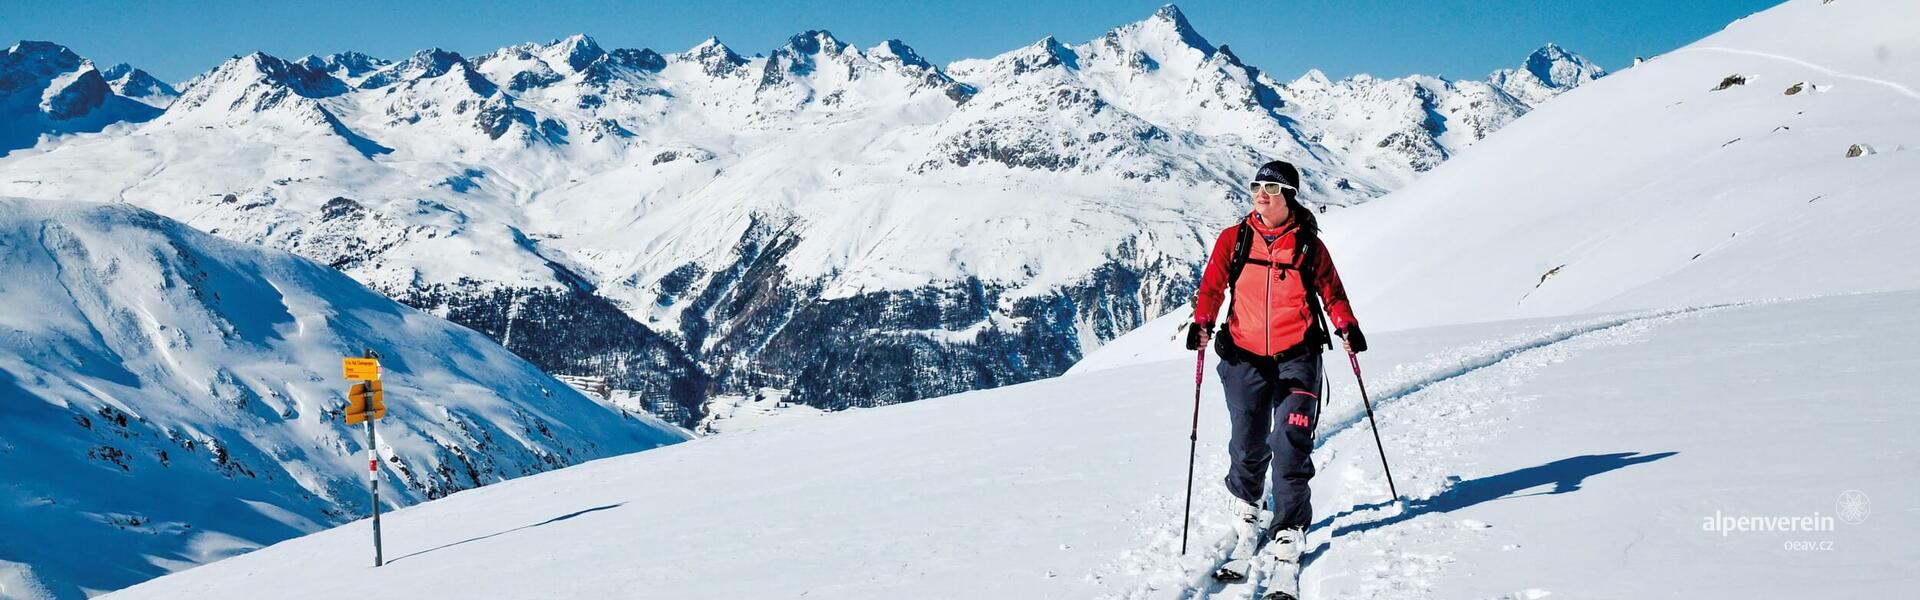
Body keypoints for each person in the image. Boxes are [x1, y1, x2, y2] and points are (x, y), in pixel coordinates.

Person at [1185, 159, 1367, 562]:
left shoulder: (1307, 245)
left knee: (1289, 441)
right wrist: (1202, 324)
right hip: (1242, 355)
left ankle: (1290, 524)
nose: (1260, 194)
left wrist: (1346, 326)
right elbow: (1212, 288)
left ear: (1288, 197)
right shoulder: (1234, 240)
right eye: (1256, 186)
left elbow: (1332, 293)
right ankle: (1247, 505)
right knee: (1247, 441)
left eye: (1270, 188)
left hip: (1297, 356)